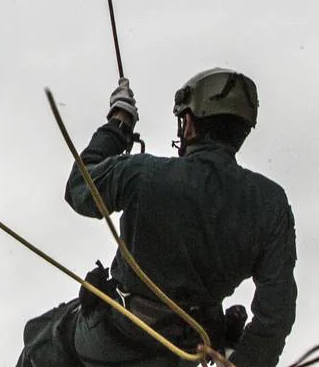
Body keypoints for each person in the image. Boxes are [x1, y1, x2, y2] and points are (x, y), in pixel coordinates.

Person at [15, 70, 296, 367]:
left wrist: (118, 124)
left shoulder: (145, 174)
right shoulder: (270, 204)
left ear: (188, 125)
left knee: (40, 339)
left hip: (115, 337)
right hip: (184, 352)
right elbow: (275, 314)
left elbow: (80, 189)